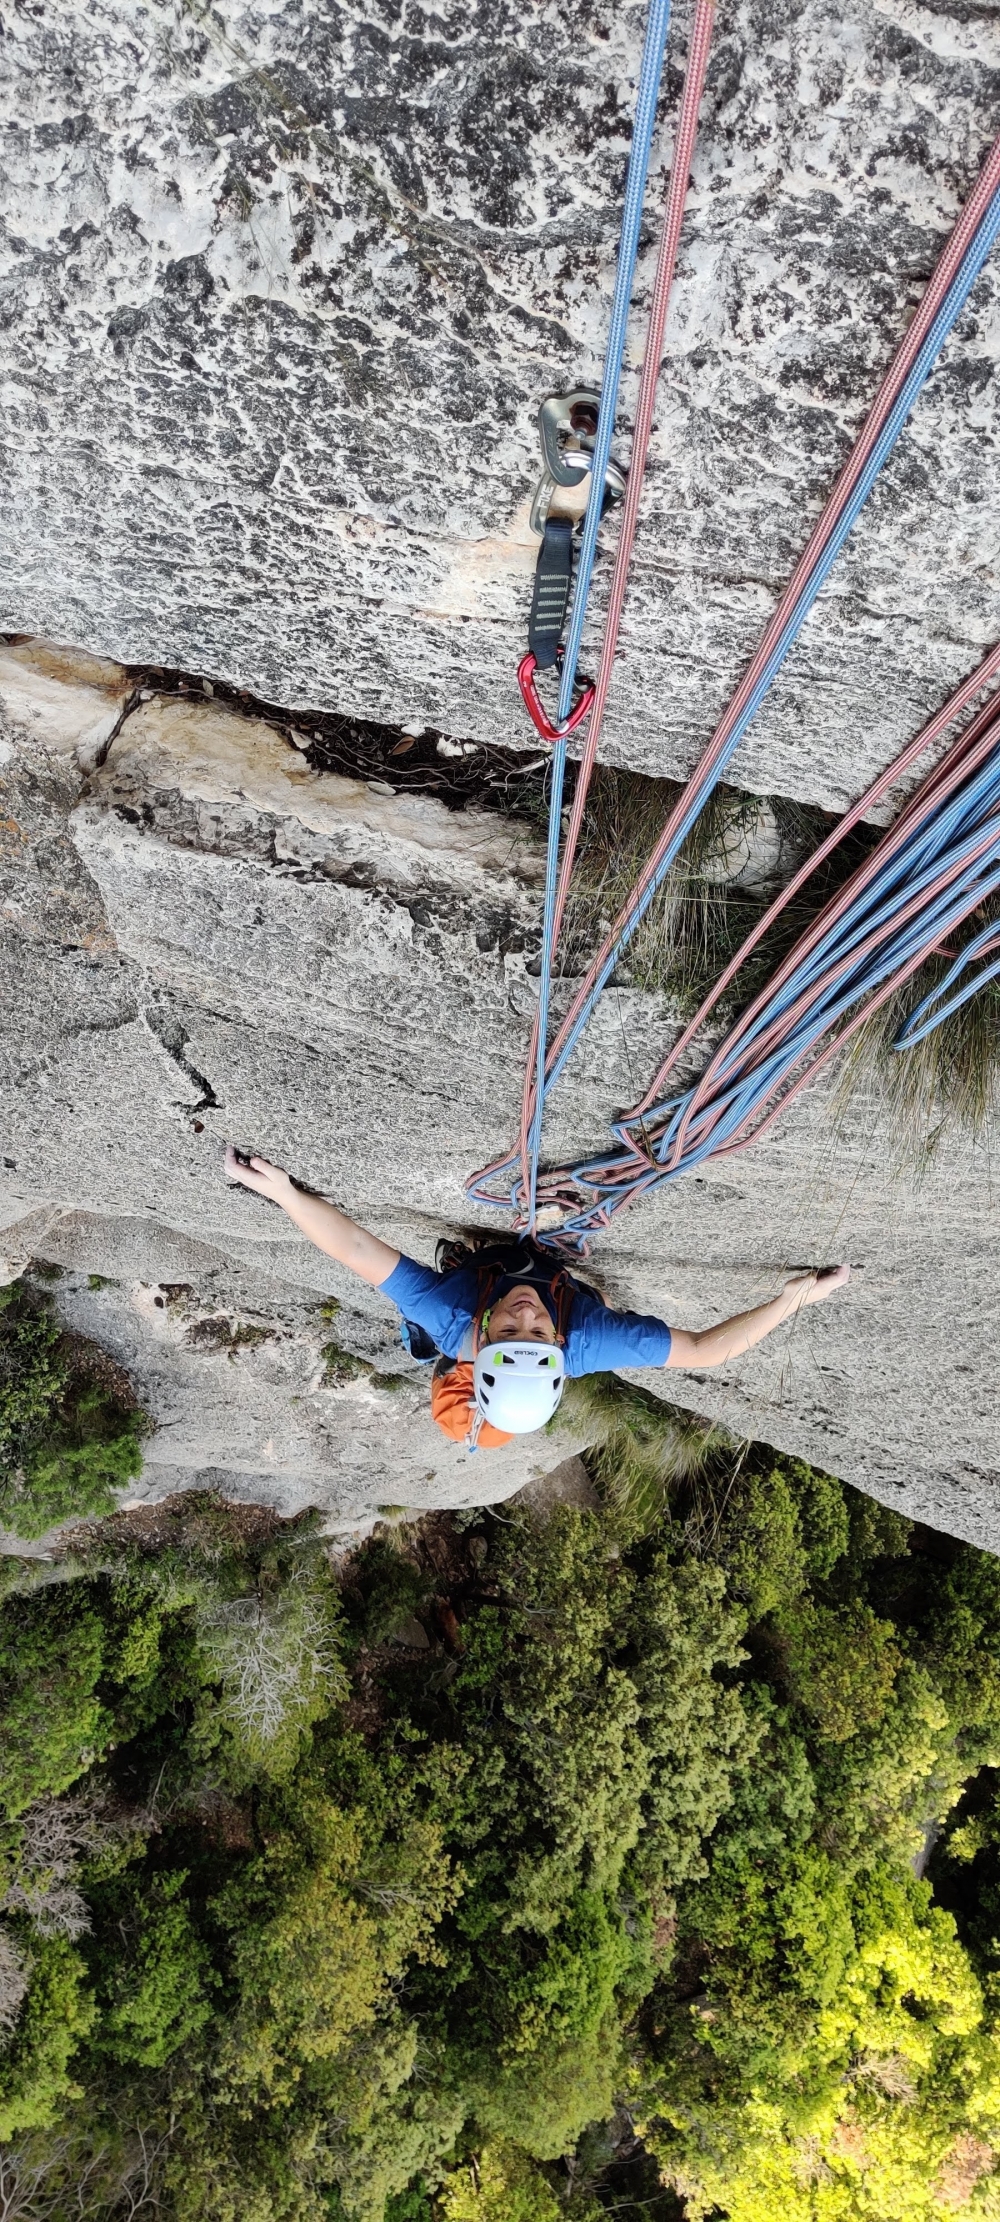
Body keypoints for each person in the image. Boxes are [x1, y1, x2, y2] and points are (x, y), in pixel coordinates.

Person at [225, 1146, 850, 1451]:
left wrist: (285, 1194)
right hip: (551, 1312)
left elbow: (358, 1252)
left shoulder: (451, 1318)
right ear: (558, 1345)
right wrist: (794, 1299)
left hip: (462, 1309)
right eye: (535, 1331)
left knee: (430, 1321)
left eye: (507, 1332)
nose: (524, 1314)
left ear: (481, 1341)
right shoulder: (588, 1338)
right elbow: (706, 1352)